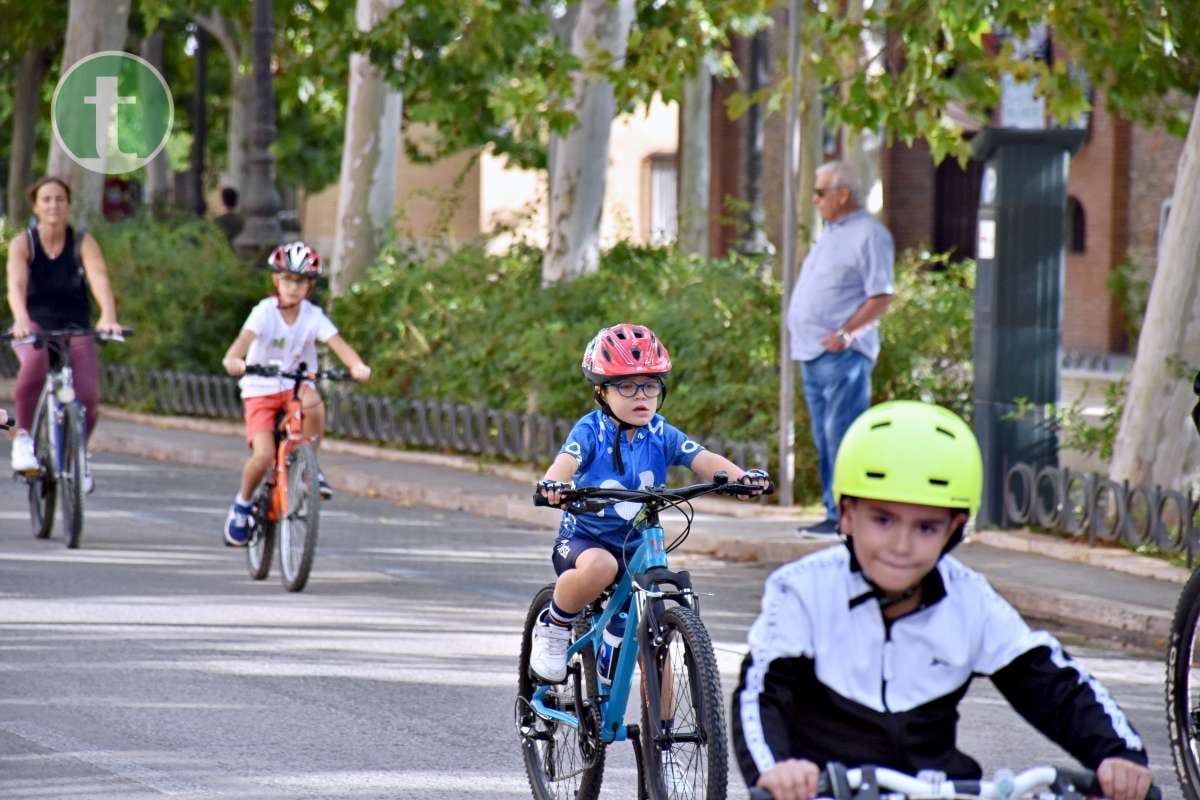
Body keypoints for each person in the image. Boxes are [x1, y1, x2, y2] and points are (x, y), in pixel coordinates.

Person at [731, 401, 1154, 800]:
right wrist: (776, 770)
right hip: (827, 786)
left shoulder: (970, 599)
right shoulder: (802, 589)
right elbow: (762, 693)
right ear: (846, 514)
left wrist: (1119, 755)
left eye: (926, 528)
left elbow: (1052, 683)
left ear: (954, 529)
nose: (901, 545)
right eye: (883, 519)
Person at [530, 322, 771, 684]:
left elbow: (702, 458)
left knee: (655, 633)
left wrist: (741, 478)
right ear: (601, 392)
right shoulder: (591, 430)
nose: (640, 395)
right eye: (626, 386)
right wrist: (554, 483)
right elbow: (567, 461)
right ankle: (554, 625)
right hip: (586, 540)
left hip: (637, 544)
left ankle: (665, 737)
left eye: (650, 385)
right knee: (601, 568)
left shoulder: (661, 432)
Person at [220, 241, 371, 546]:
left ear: (310, 286)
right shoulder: (264, 313)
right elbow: (243, 340)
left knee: (313, 401)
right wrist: (234, 359)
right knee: (262, 456)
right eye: (287, 279)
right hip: (261, 387)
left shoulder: (313, 316)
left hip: (294, 385)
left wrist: (357, 365)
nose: (293, 287)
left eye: (300, 282)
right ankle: (242, 504)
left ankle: (309, 467)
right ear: (277, 280)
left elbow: (337, 342)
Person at [788, 161, 894, 536]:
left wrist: (846, 334)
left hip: (843, 355)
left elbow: (881, 295)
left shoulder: (869, 235)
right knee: (824, 437)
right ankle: (834, 512)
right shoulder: (831, 233)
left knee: (842, 436)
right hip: (812, 353)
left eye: (819, 193)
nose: (814, 200)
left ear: (842, 195)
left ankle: (846, 518)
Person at [5, 176, 125, 491]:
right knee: (35, 363)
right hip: (35, 324)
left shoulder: (82, 242)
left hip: (76, 325)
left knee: (88, 396)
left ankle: (79, 455)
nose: (53, 205)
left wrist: (108, 316)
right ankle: (24, 441)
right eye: (46, 199)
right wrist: (20, 319)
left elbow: (99, 278)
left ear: (69, 205)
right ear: (35, 206)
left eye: (60, 199)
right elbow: (15, 285)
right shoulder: (23, 244)